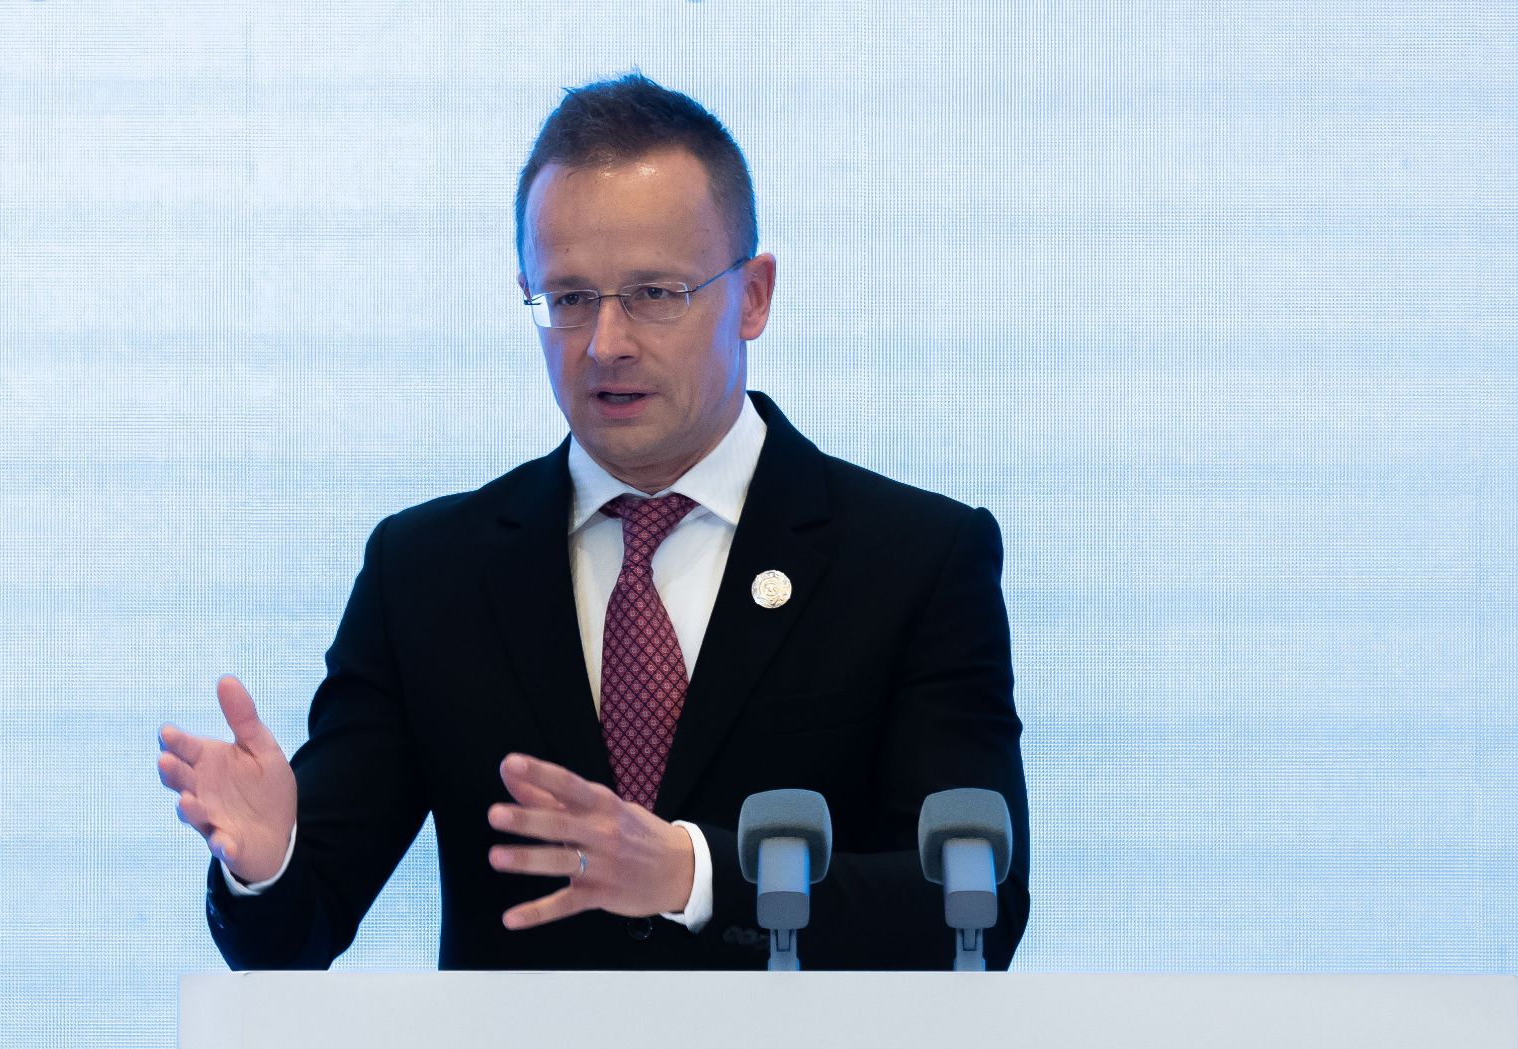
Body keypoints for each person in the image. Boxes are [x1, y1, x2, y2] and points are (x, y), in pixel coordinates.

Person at [156, 74, 1029, 971]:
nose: (607, 343)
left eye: (655, 292)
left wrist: (693, 875)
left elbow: (978, 911)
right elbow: (298, 931)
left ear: (754, 296)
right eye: (570, 298)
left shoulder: (914, 561)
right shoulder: (427, 574)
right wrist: (266, 864)